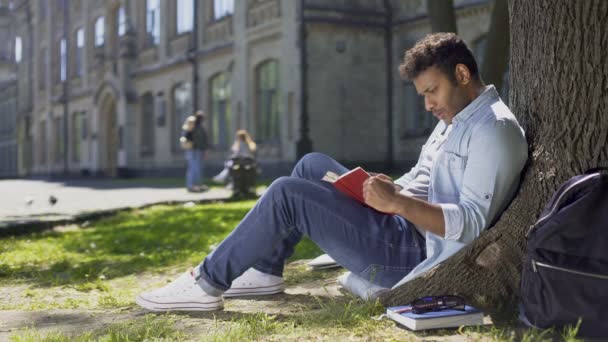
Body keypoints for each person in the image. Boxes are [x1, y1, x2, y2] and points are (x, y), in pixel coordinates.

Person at [136, 32, 528, 312]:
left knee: (287, 192)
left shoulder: (493, 131)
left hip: (410, 253)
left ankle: (206, 283)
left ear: (461, 75)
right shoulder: (455, 119)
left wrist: (397, 204)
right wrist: (387, 188)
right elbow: (425, 176)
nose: (427, 105)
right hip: (403, 225)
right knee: (312, 165)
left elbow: (472, 224)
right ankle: (267, 270)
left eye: (431, 91)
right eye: (422, 94)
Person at [180, 111, 209, 193]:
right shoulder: (191, 127)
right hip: (192, 150)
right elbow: (185, 138)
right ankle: (191, 185)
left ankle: (197, 185)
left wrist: (205, 150)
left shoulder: (200, 128)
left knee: (198, 168)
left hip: (198, 150)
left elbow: (204, 139)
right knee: (193, 168)